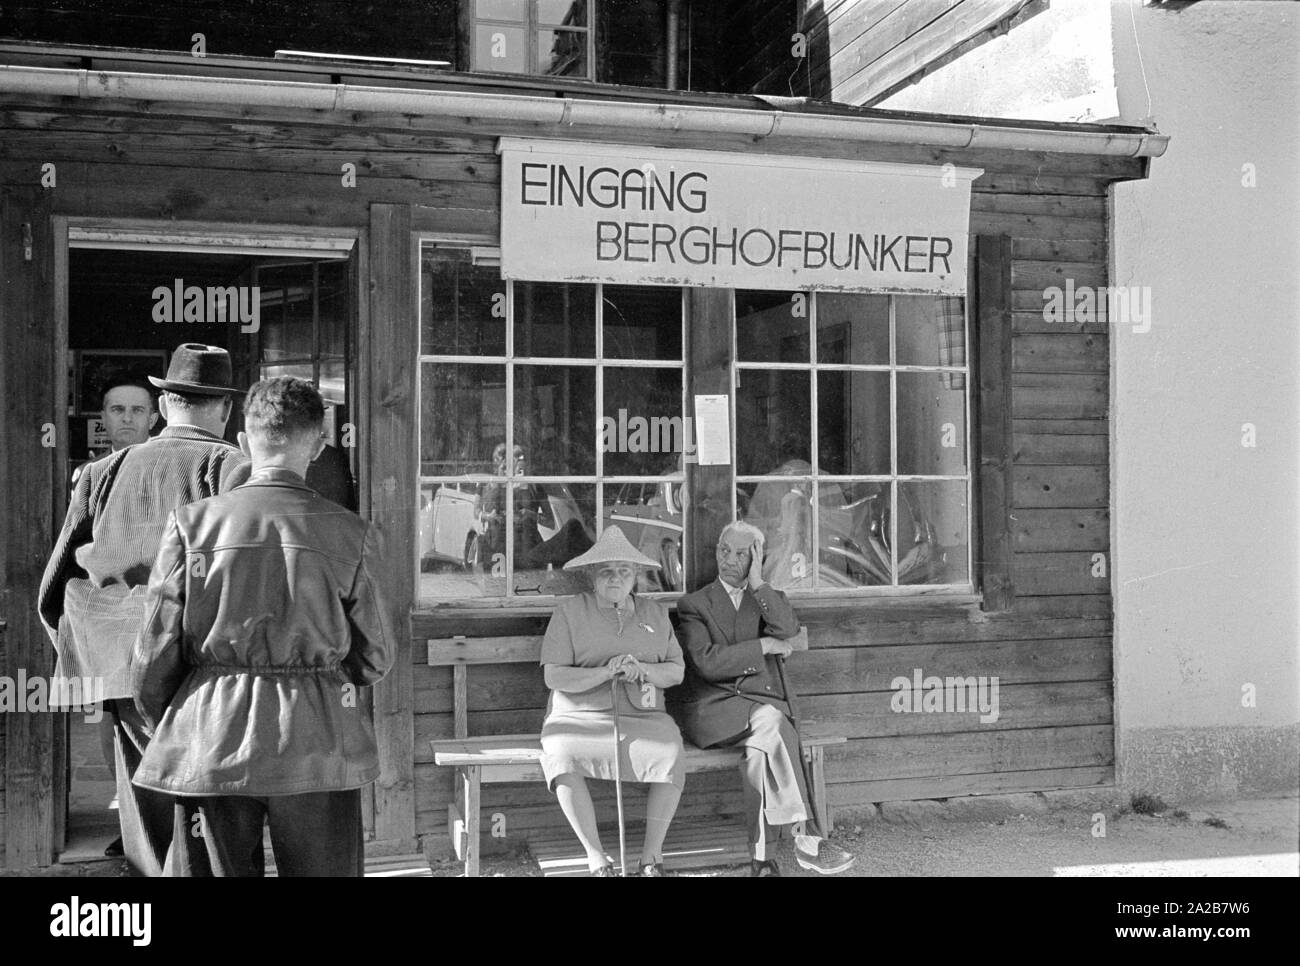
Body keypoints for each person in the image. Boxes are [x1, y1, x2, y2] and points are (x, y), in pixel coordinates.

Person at [131, 376, 394, 877]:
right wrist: (328, 676)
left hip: (209, 735)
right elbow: (375, 655)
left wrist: (177, 712)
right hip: (319, 740)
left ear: (243, 442)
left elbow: (154, 653)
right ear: (317, 446)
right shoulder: (351, 533)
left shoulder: (192, 525)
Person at [39, 344, 248, 876]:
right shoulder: (232, 467)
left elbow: (57, 582)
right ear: (224, 408)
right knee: (209, 808)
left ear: (164, 401)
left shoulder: (101, 473)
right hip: (199, 666)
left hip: (122, 662)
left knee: (144, 807)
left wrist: (89, 655)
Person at [675, 521, 855, 876]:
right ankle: (808, 837)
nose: (728, 559)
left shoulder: (767, 599)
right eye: (724, 550)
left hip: (761, 713)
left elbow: (788, 630)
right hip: (714, 709)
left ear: (758, 557)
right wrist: (764, 646)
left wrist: (757, 583)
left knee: (761, 753)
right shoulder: (695, 603)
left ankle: (763, 860)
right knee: (771, 722)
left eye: (741, 553)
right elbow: (708, 663)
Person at [538, 525, 685, 876]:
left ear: (635, 576)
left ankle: (651, 857)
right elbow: (554, 676)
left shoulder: (655, 613)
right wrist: (605, 673)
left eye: (623, 571)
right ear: (592, 576)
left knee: (669, 752)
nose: (615, 578)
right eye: (606, 571)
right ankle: (596, 857)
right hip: (578, 715)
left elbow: (676, 671)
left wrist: (643, 670)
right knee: (561, 754)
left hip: (644, 716)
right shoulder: (570, 612)